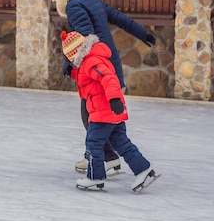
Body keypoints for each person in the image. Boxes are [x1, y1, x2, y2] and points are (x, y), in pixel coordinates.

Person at [44, 0, 157, 173]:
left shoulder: (74, 5)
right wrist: (143, 34)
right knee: (103, 115)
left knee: (92, 114)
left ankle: (105, 157)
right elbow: (119, 18)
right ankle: (108, 156)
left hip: (97, 66)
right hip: (109, 61)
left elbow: (85, 39)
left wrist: (69, 62)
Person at [60, 30, 157, 191]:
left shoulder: (92, 62)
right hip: (110, 111)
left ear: (76, 54)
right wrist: (73, 73)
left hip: (103, 111)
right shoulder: (92, 60)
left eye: (70, 59)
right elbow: (89, 77)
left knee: (93, 143)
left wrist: (114, 99)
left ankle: (95, 177)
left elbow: (108, 78)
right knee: (121, 142)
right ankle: (144, 170)